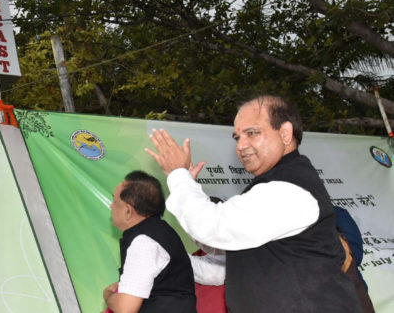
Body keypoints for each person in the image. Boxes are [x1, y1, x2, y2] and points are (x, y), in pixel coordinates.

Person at [145, 95, 361, 313]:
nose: (241, 145)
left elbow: (213, 227)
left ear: (285, 133)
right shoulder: (270, 186)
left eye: (252, 133)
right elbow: (226, 250)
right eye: (237, 137)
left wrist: (179, 176)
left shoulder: (290, 189)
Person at [103, 170, 196, 313]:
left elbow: (125, 308)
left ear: (128, 211)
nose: (111, 206)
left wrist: (108, 295)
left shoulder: (143, 242)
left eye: (114, 201)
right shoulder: (160, 231)